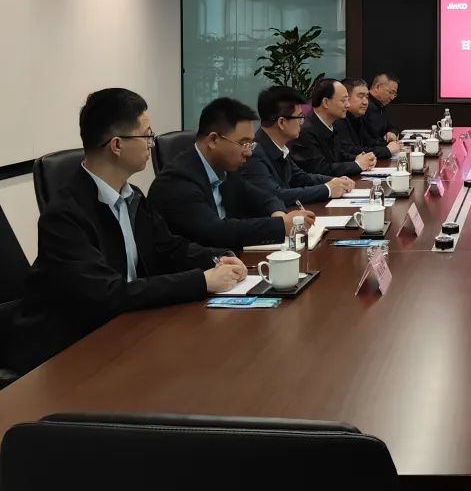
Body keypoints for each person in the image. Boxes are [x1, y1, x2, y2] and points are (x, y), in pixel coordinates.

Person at [10, 89, 248, 373]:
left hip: (129, 329)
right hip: (72, 351)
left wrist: (219, 258)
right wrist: (202, 281)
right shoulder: (64, 216)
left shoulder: (132, 196)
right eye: (146, 136)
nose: (151, 144)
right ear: (117, 145)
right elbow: (107, 294)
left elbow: (170, 248)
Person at [149, 98, 312, 250]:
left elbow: (263, 197)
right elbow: (216, 232)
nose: (248, 153)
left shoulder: (224, 169)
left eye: (251, 144)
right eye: (243, 143)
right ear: (213, 140)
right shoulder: (177, 181)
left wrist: (278, 214)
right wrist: (280, 226)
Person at [241, 86, 356, 204]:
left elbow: (300, 177)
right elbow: (276, 195)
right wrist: (328, 190)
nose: (302, 122)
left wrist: (334, 181)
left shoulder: (278, 146)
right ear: (281, 122)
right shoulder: (253, 154)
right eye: (300, 117)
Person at [289, 79, 377, 176]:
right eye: (343, 100)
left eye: (348, 100)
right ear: (326, 102)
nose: (348, 105)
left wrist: (359, 158)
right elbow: (320, 169)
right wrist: (357, 164)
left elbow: (339, 155)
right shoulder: (305, 130)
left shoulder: (332, 123)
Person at [340, 77, 401, 161]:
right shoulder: (339, 120)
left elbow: (369, 142)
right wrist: (387, 150)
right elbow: (350, 150)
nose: (365, 102)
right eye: (361, 96)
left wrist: (390, 145)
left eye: (366, 97)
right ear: (346, 98)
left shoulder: (357, 117)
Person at [363, 73, 400, 144]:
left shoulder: (381, 105)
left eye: (394, 94)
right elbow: (366, 140)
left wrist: (392, 133)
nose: (392, 98)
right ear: (377, 87)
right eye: (390, 92)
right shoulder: (364, 106)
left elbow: (392, 126)